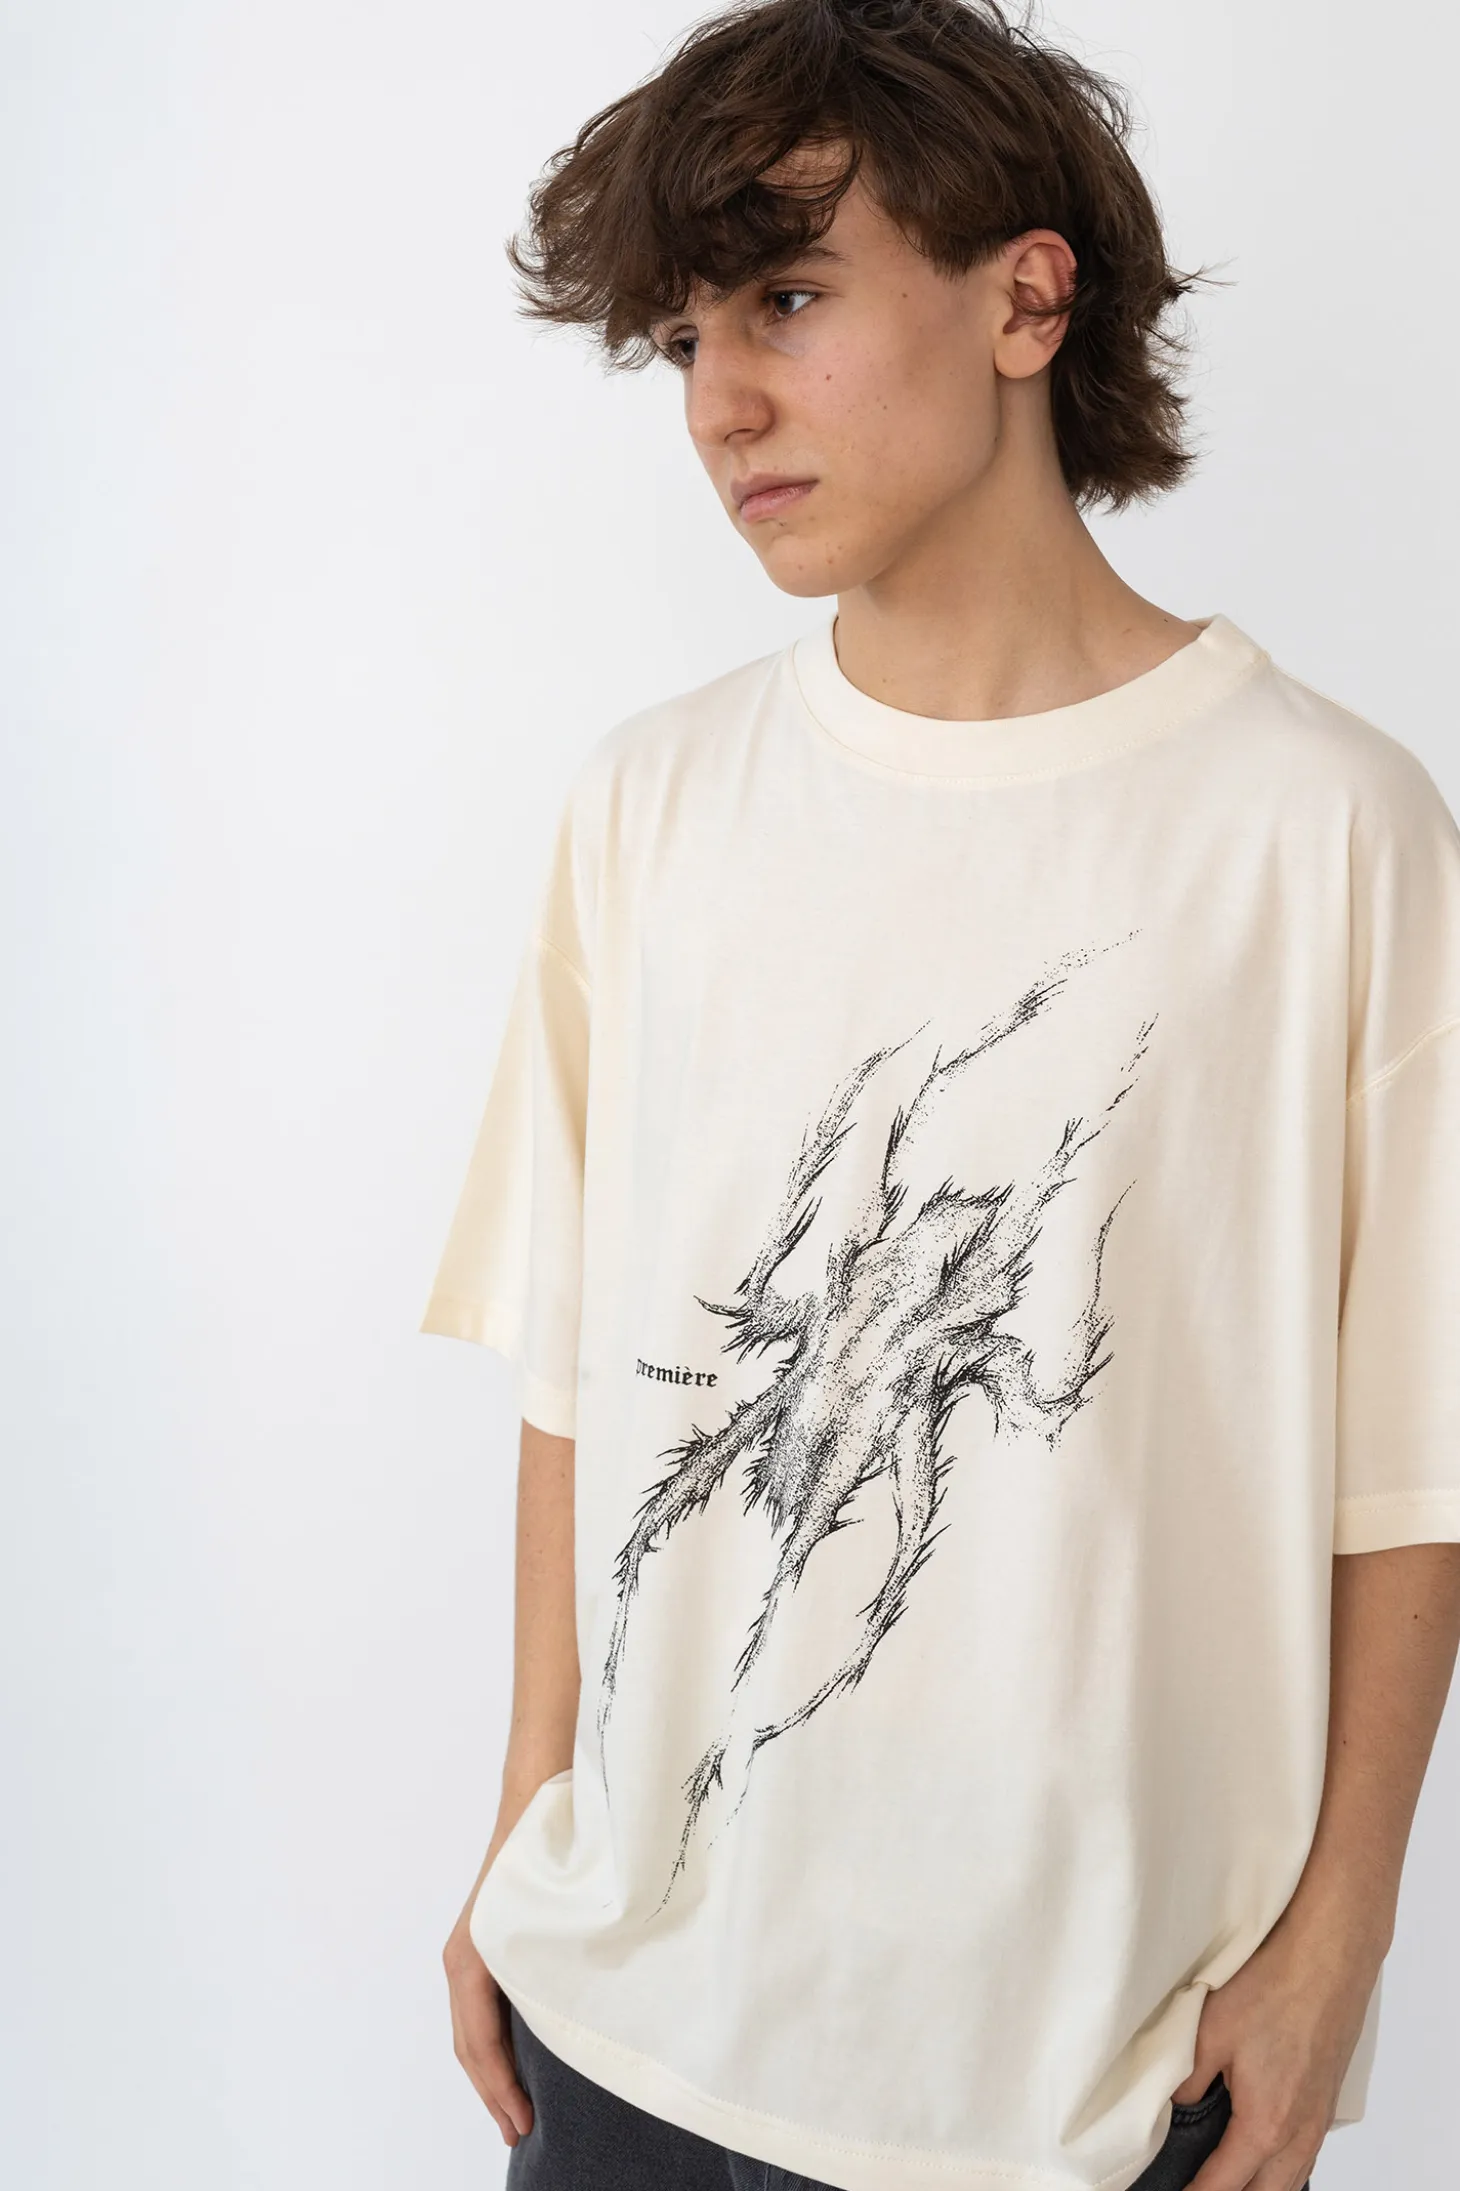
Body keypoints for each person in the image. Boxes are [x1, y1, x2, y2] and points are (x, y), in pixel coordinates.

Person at [420, 3, 1460, 2186]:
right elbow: (572, 1370)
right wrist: (526, 1822)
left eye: (786, 300)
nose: (719, 402)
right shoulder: (651, 806)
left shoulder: (1323, 830)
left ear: (1024, 299)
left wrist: (1341, 1941)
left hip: (1089, 2085)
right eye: (683, 337)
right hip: (632, 2025)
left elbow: (1412, 1451)